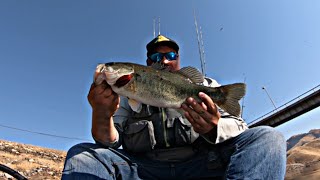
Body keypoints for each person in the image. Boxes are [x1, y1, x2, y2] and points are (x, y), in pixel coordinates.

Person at [62, 35, 286, 179]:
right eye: (157, 56)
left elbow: (240, 126)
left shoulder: (203, 86)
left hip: (202, 165)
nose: (165, 60)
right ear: (148, 62)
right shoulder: (122, 92)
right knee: (82, 155)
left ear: (178, 59)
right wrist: (101, 113)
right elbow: (108, 142)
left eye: (171, 55)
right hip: (143, 170)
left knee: (268, 138)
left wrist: (213, 127)